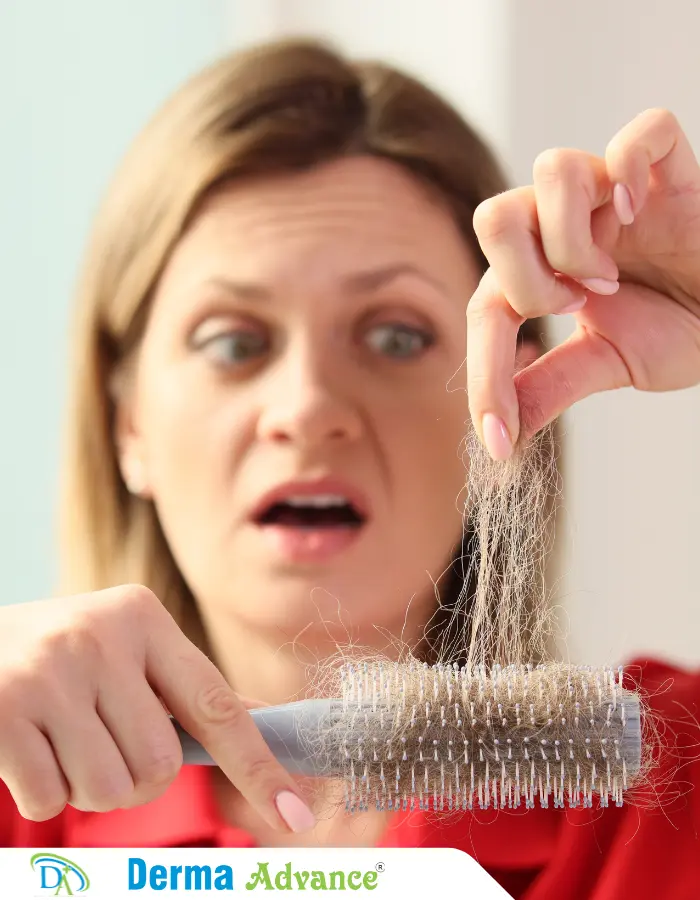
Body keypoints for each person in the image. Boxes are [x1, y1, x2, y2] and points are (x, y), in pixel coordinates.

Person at [0, 38, 698, 899]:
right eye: (233, 343)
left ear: (518, 395)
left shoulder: (671, 790)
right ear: (128, 424)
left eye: (395, 336)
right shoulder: (17, 818)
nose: (307, 408)